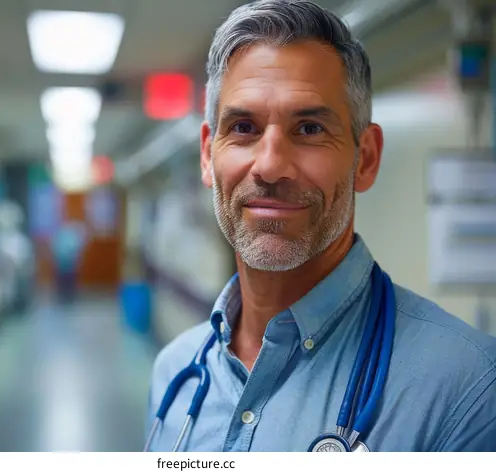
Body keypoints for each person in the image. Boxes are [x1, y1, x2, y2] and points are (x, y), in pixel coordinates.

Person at [145, 0, 496, 452]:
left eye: (309, 128)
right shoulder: (174, 372)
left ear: (365, 158)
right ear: (207, 155)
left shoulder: (467, 391)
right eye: (244, 126)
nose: (270, 167)